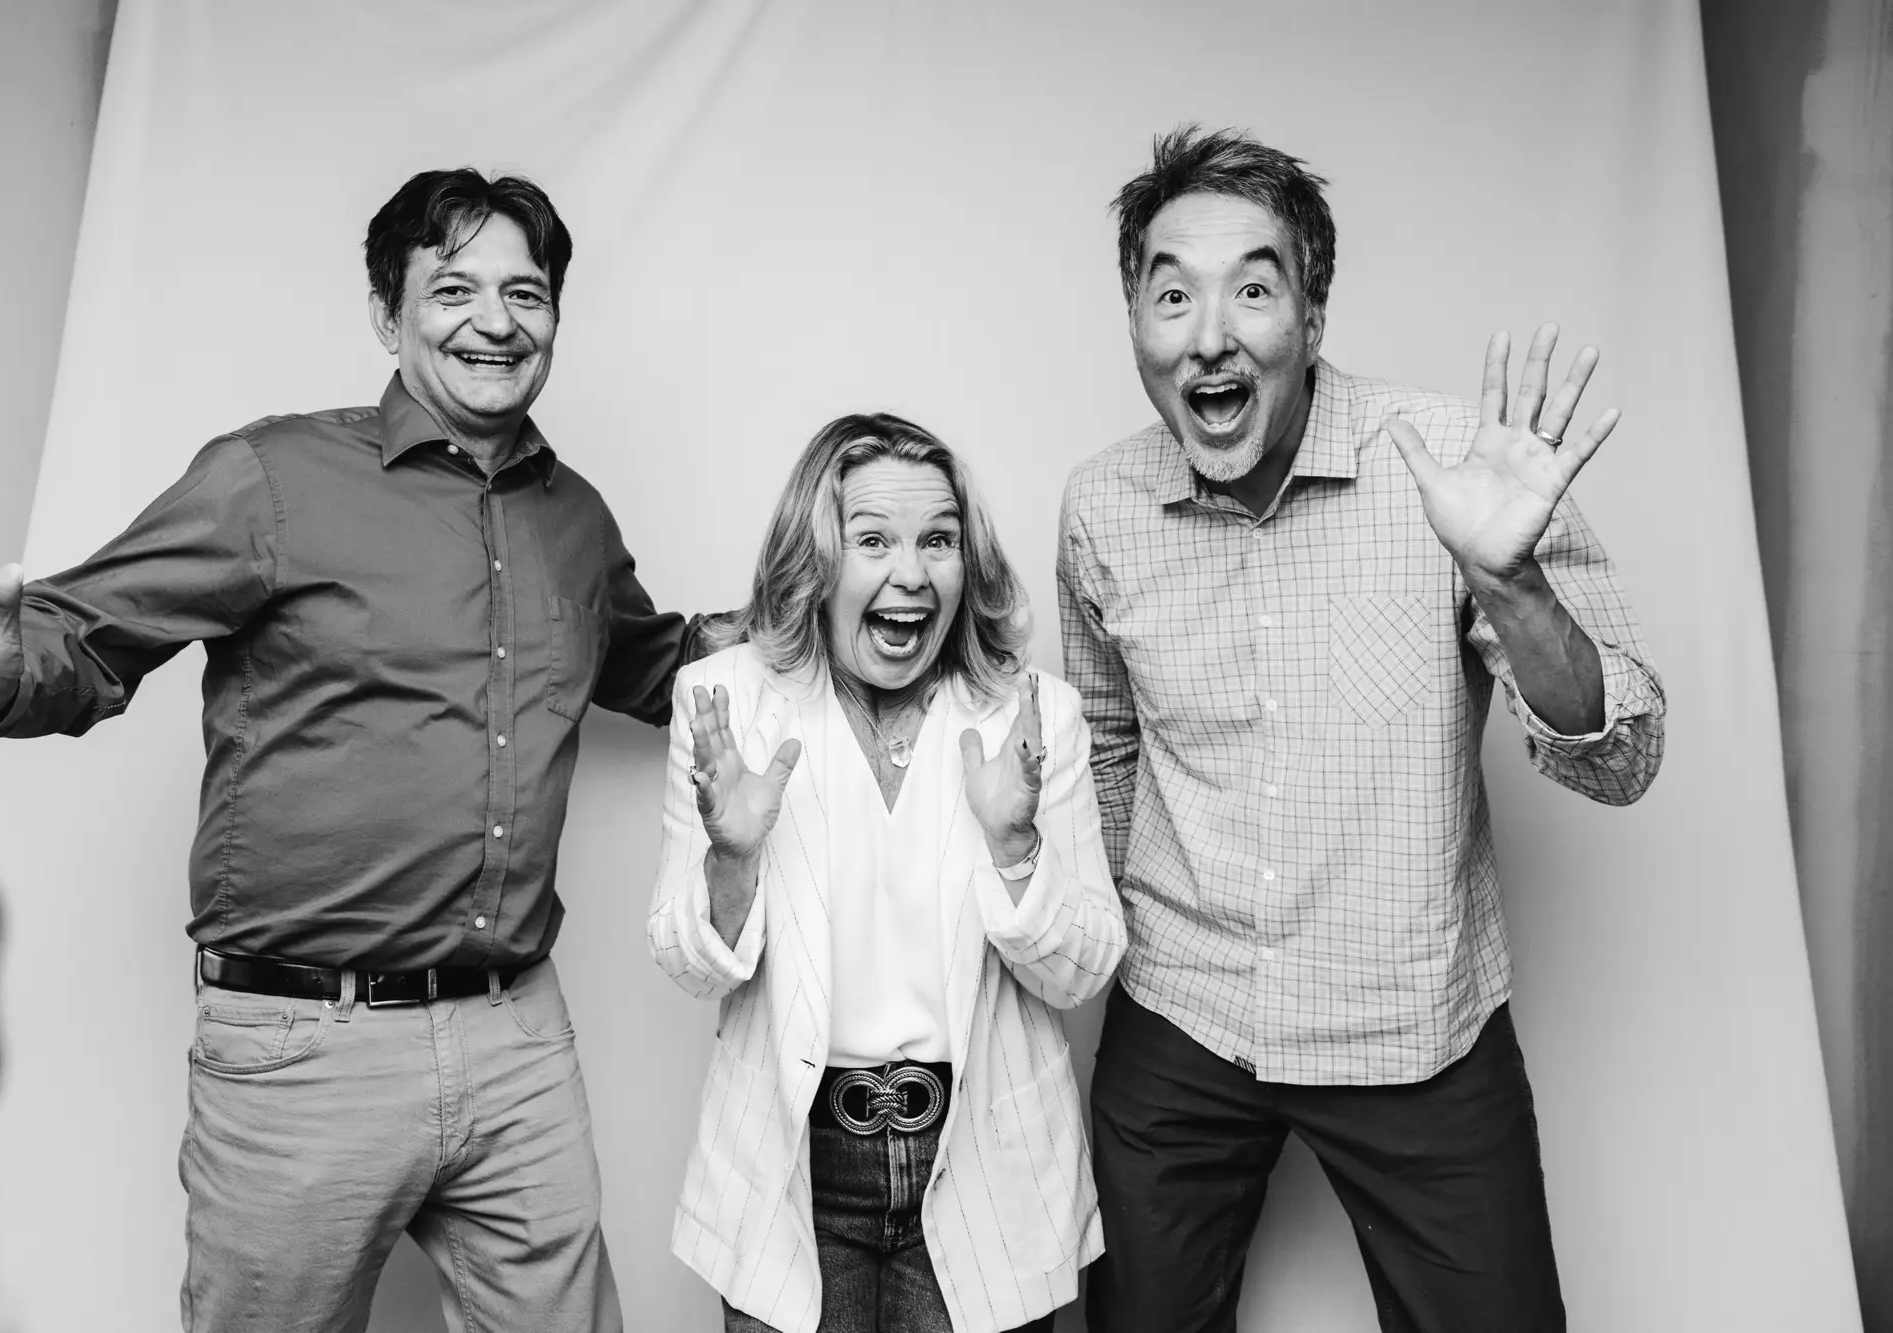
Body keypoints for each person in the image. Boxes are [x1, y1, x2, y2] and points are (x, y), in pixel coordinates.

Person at [0, 168, 695, 1331]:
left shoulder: (574, 518)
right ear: (388, 314)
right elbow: (87, 635)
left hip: (517, 1037)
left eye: (524, 293)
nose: (495, 320)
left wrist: (809, 623)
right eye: (454, 289)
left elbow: (650, 662)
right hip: (303, 1049)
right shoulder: (271, 478)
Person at [1060, 127, 1667, 1331]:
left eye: (1251, 288)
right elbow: (1108, 742)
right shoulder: (1099, 505)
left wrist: (1510, 583)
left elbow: (1622, 759)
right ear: (1134, 322)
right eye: (1170, 294)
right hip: (1181, 1015)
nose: (1207, 334)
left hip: (1412, 1026)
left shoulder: (1454, 471)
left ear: (1313, 312)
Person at [646, 414, 1127, 1333]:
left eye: (938, 540)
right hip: (793, 1172)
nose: (912, 573)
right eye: (873, 540)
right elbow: (686, 963)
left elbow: (1084, 970)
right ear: (816, 562)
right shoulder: (725, 701)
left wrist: (1016, 849)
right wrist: (732, 859)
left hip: (986, 1167)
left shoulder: (1035, 716)